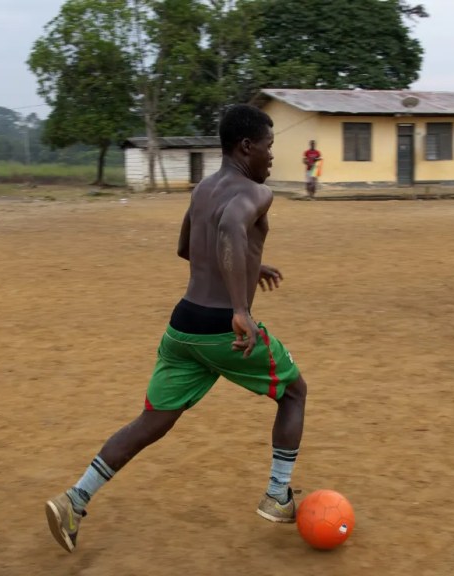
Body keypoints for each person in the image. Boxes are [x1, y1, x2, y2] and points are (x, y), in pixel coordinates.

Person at [44, 104, 308, 554]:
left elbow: (188, 247)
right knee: (295, 393)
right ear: (246, 146)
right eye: (269, 146)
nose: (271, 156)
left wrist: (251, 265)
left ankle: (74, 499)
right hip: (224, 330)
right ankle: (277, 495)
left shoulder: (202, 189)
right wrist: (240, 308)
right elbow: (230, 227)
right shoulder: (255, 192)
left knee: (152, 421)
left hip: (184, 326)